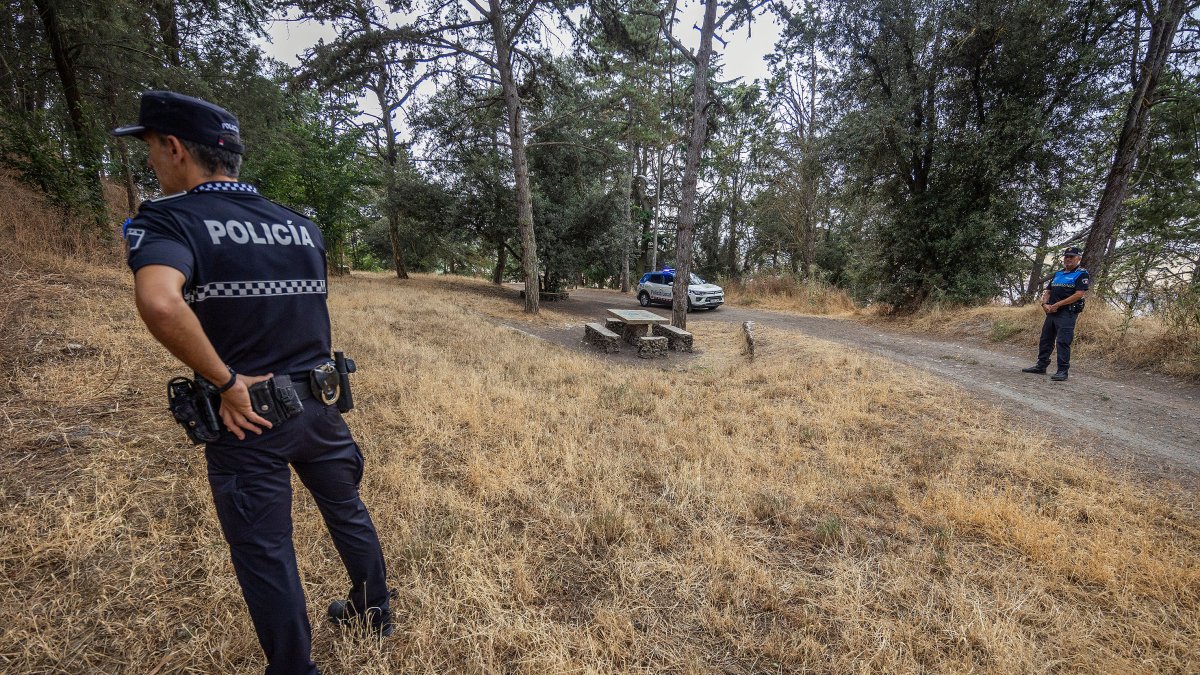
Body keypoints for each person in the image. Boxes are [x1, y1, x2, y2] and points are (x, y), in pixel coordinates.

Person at [115, 91, 391, 675]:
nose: (150, 164)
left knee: (266, 553)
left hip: (250, 418)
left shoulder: (169, 218)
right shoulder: (300, 227)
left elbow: (161, 304)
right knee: (347, 509)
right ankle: (374, 611)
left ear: (173, 148)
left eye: (149, 148)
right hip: (322, 403)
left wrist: (226, 381)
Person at [1022, 246, 1089, 381]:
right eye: (1066, 257)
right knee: (1045, 339)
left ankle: (1062, 370)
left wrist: (1058, 304)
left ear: (1078, 258)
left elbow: (1079, 294)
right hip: (1051, 311)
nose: (1068, 259)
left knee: (1063, 341)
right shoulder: (1058, 274)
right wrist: (1045, 304)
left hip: (1067, 313)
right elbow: (1048, 291)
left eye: (1072, 257)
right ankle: (1041, 365)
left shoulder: (1081, 274)